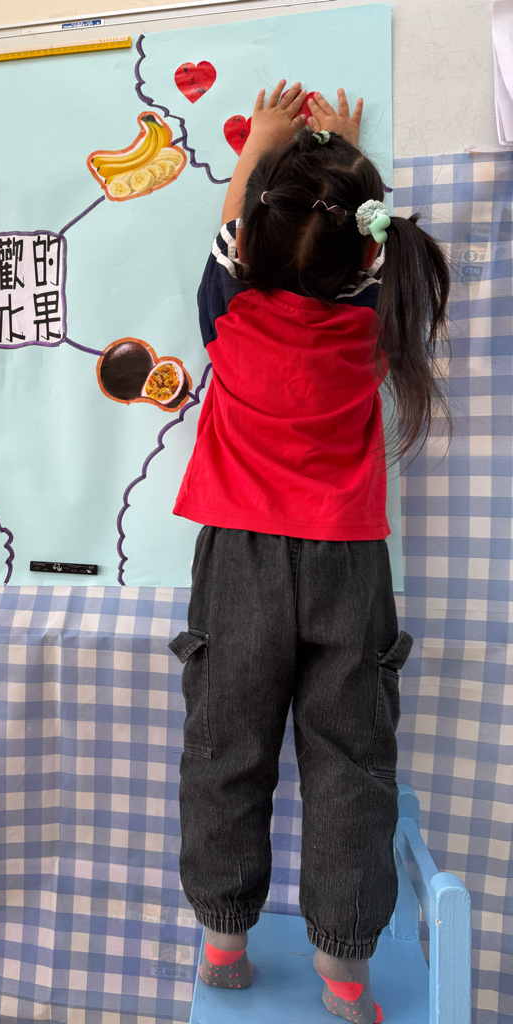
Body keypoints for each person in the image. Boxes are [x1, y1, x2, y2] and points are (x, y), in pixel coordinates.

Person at [169, 81, 451, 1024]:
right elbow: (357, 248)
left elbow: (235, 228)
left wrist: (262, 143)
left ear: (252, 242)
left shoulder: (231, 311)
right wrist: (346, 160)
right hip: (347, 564)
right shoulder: (374, 318)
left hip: (239, 559)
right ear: (369, 247)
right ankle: (345, 973)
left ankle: (224, 944)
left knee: (226, 749)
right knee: (351, 762)